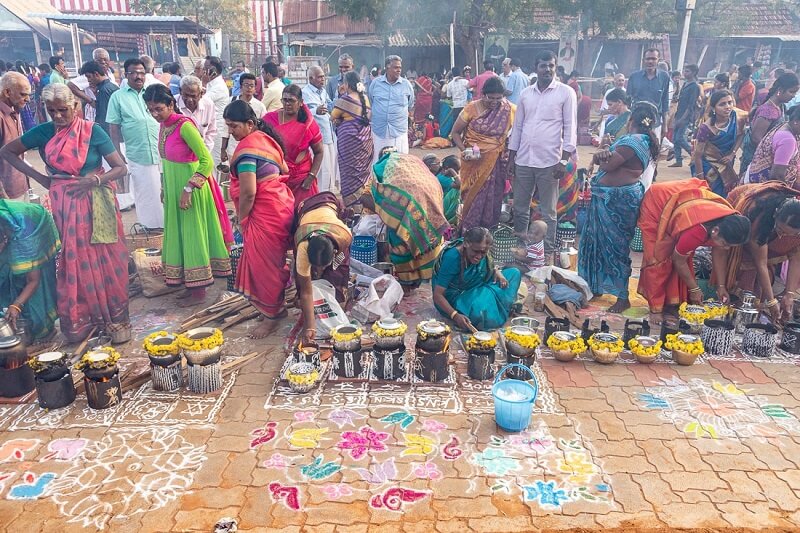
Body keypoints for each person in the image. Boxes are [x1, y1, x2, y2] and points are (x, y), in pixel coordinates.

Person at [0, 83, 130, 342]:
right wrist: (41, 177)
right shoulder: (44, 132)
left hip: (95, 200)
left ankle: (112, 316)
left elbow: (120, 168)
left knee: (106, 256)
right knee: (73, 258)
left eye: (63, 110)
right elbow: (8, 151)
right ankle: (83, 320)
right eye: (52, 111)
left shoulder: (93, 132)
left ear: (75, 107)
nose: (58, 117)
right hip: (64, 202)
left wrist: (94, 181)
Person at [143, 85, 230, 306]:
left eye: (159, 109)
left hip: (190, 190)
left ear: (171, 104)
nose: (155, 114)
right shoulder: (163, 126)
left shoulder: (184, 126)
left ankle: (198, 291)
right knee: (180, 235)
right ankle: (188, 284)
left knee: (193, 235)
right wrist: (164, 187)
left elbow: (206, 161)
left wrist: (189, 188)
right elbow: (167, 161)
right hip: (173, 187)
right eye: (150, 109)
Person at [578, 103, 660, 313]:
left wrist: (602, 151)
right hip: (612, 198)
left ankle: (622, 297)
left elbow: (607, 165)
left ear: (631, 121)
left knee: (615, 247)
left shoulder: (632, 142)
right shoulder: (642, 141)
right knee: (597, 242)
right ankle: (596, 286)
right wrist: (603, 151)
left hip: (617, 201)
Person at [223, 100, 294, 338]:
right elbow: (284, 170)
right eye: (228, 127)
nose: (231, 132)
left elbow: (248, 192)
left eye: (234, 126)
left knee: (265, 268)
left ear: (250, 124)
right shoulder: (266, 141)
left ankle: (271, 316)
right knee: (274, 262)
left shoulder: (246, 151)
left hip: (265, 214)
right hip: (281, 206)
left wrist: (242, 219)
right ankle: (277, 308)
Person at [637, 178, 750, 322]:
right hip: (658, 202)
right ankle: (656, 308)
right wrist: (694, 289)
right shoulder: (697, 230)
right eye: (725, 243)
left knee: (684, 255)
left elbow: (720, 253)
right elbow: (679, 260)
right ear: (715, 231)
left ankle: (673, 303)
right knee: (660, 260)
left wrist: (721, 286)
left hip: (684, 200)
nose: (726, 248)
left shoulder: (729, 222)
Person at [509, 50, 577, 260]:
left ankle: (545, 252)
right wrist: (512, 157)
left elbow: (570, 127)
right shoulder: (526, 94)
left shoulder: (565, 92)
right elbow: (518, 126)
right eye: (543, 66)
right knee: (520, 208)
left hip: (550, 161)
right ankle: (521, 247)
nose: (547, 70)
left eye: (551, 66)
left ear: (555, 68)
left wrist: (563, 160)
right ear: (535, 68)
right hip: (524, 159)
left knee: (549, 211)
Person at [365, 150, 447, 289]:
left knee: (401, 237)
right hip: (430, 195)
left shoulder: (379, 168)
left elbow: (376, 197)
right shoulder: (410, 162)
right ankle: (419, 277)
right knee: (422, 236)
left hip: (408, 201)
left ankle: (405, 282)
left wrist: (381, 212)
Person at [725, 183, 800, 322]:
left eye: (789, 234)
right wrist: (772, 302)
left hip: (766, 234)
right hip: (742, 213)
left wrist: (789, 294)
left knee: (763, 285)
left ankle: (756, 308)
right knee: (749, 269)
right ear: (776, 215)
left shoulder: (797, 230)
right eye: (781, 230)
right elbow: (761, 263)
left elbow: (796, 259)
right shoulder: (759, 216)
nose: (782, 236)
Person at [451, 76, 514, 231]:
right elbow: (455, 133)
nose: (494, 102)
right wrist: (464, 150)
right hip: (473, 162)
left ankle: (488, 234)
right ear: (482, 94)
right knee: (472, 199)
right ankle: (468, 232)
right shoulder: (471, 108)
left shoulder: (510, 109)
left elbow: (517, 135)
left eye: (498, 98)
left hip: (496, 163)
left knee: (493, 199)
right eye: (490, 98)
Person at [106, 57, 164, 229]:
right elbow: (113, 128)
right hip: (138, 152)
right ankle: (151, 228)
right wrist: (116, 153)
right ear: (126, 74)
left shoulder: (153, 92)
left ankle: (168, 227)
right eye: (134, 73)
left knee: (164, 190)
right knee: (145, 192)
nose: (138, 76)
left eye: (141, 72)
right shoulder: (117, 97)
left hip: (163, 150)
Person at [432, 226, 522, 330]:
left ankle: (492, 302)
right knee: (480, 312)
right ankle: (496, 304)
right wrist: (455, 315)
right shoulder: (452, 257)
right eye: (476, 251)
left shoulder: (482, 250)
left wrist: (499, 274)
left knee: (514, 273)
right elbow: (438, 295)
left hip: (479, 286)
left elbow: (490, 267)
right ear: (466, 243)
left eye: (483, 252)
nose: (479, 256)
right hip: (458, 298)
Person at [294, 192, 353, 345]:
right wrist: (310, 328)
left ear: (334, 252)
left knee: (338, 274)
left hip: (332, 220)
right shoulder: (303, 247)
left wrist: (330, 269)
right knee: (305, 283)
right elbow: (307, 291)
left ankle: (338, 301)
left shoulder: (344, 236)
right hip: (308, 213)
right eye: (315, 266)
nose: (319, 270)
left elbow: (340, 263)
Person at [0, 200, 60, 341]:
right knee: (7, 273)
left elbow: (33, 280)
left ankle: (44, 327)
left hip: (33, 226)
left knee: (28, 276)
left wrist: (16, 305)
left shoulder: (23, 235)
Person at [263, 84, 324, 208]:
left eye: (291, 100)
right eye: (284, 100)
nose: (287, 104)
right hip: (279, 179)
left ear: (301, 102)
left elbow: (319, 152)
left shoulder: (308, 123)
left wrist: (311, 177)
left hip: (303, 181)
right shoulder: (270, 119)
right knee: (282, 219)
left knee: (304, 217)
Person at [740, 73, 800, 176]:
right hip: (757, 160)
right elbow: (756, 138)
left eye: (795, 92)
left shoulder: (781, 107)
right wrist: (775, 153)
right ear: (780, 90)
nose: (793, 95)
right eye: (791, 91)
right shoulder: (768, 110)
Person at [691, 90, 747, 195]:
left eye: (730, 102)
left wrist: (732, 154)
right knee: (711, 196)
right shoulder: (706, 128)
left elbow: (741, 135)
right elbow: (697, 155)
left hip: (726, 162)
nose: (728, 107)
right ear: (713, 108)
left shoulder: (737, 118)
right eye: (722, 104)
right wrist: (701, 180)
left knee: (726, 195)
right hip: (708, 165)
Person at [331, 70, 373, 210]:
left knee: (349, 173)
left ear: (347, 84)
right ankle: (364, 204)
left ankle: (352, 207)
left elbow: (333, 116)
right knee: (362, 172)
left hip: (349, 143)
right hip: (364, 140)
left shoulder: (345, 100)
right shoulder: (365, 98)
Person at [367, 56, 414, 163]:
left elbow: (411, 105)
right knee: (378, 164)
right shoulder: (375, 84)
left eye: (400, 68)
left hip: (399, 132)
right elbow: (371, 102)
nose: (399, 70)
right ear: (387, 67)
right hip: (379, 131)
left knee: (399, 165)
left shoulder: (406, 85)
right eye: (395, 67)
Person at [744, 104, 800, 188]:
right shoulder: (788, 140)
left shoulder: (784, 126)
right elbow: (777, 176)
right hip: (765, 191)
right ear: (796, 121)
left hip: (753, 181)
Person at [303, 66, 338, 193]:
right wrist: (315, 111)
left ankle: (328, 194)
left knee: (329, 167)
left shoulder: (323, 91)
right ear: (311, 78)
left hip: (328, 134)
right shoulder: (305, 92)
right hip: (316, 137)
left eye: (323, 76)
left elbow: (330, 105)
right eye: (319, 77)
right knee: (321, 167)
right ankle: (318, 195)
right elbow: (302, 112)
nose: (322, 79)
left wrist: (339, 94)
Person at [221, 72, 266, 164]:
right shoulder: (231, 102)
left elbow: (262, 128)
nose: (249, 88)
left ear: (255, 89)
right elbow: (225, 127)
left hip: (252, 147)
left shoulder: (260, 106)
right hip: (233, 147)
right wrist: (223, 149)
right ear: (241, 87)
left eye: (251, 86)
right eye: (246, 85)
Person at [0, 72, 31, 200]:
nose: (28, 99)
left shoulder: (14, 111)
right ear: (7, 92)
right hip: (7, 193)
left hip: (19, 185)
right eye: (23, 94)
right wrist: (2, 193)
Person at [627, 48, 671, 136]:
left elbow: (665, 101)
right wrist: (627, 122)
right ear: (643, 60)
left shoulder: (664, 77)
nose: (650, 61)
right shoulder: (634, 77)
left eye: (654, 59)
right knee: (636, 146)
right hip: (636, 121)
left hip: (655, 122)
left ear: (658, 60)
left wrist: (665, 125)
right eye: (648, 59)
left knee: (653, 147)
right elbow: (627, 101)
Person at [669, 64, 702, 169]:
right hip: (679, 113)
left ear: (693, 73)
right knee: (675, 138)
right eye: (685, 71)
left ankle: (694, 155)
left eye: (687, 71)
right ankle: (678, 160)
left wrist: (683, 118)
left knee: (679, 138)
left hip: (686, 116)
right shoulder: (685, 84)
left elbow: (691, 104)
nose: (684, 73)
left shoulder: (695, 86)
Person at [201, 56, 230, 172]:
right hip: (209, 128)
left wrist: (203, 82)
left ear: (214, 70)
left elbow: (202, 101)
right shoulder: (211, 84)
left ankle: (216, 189)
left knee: (213, 164)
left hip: (217, 130)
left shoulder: (219, 87)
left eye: (206, 68)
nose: (204, 70)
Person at [177, 75, 218, 152]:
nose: (190, 100)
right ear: (180, 91)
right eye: (186, 95)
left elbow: (211, 131)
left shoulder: (208, 104)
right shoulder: (172, 105)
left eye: (193, 96)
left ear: (201, 94)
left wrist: (204, 151)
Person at [79, 60, 118, 134]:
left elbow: (104, 117)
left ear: (96, 74)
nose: (88, 80)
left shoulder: (103, 90)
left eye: (89, 77)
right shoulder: (111, 86)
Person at [423, 153, 461, 226]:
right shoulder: (441, 178)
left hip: (441, 203)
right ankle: (448, 220)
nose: (440, 165)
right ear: (430, 166)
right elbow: (459, 185)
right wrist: (452, 171)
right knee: (457, 192)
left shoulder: (440, 174)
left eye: (440, 162)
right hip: (440, 206)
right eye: (437, 163)